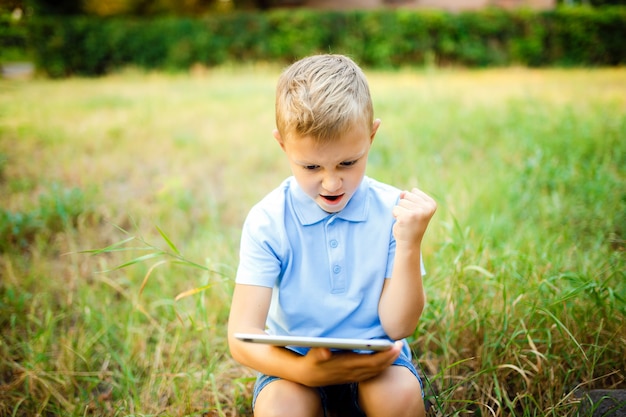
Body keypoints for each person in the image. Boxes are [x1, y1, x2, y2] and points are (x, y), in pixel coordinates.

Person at [227, 54, 437, 417]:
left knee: (398, 398)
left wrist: (409, 242)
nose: (331, 182)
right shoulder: (268, 220)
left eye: (347, 163)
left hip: (376, 365)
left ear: (371, 136)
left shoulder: (393, 212)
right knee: (282, 409)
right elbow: (241, 336)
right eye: (310, 167)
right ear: (283, 146)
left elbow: (399, 325)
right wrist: (302, 371)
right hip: (294, 369)